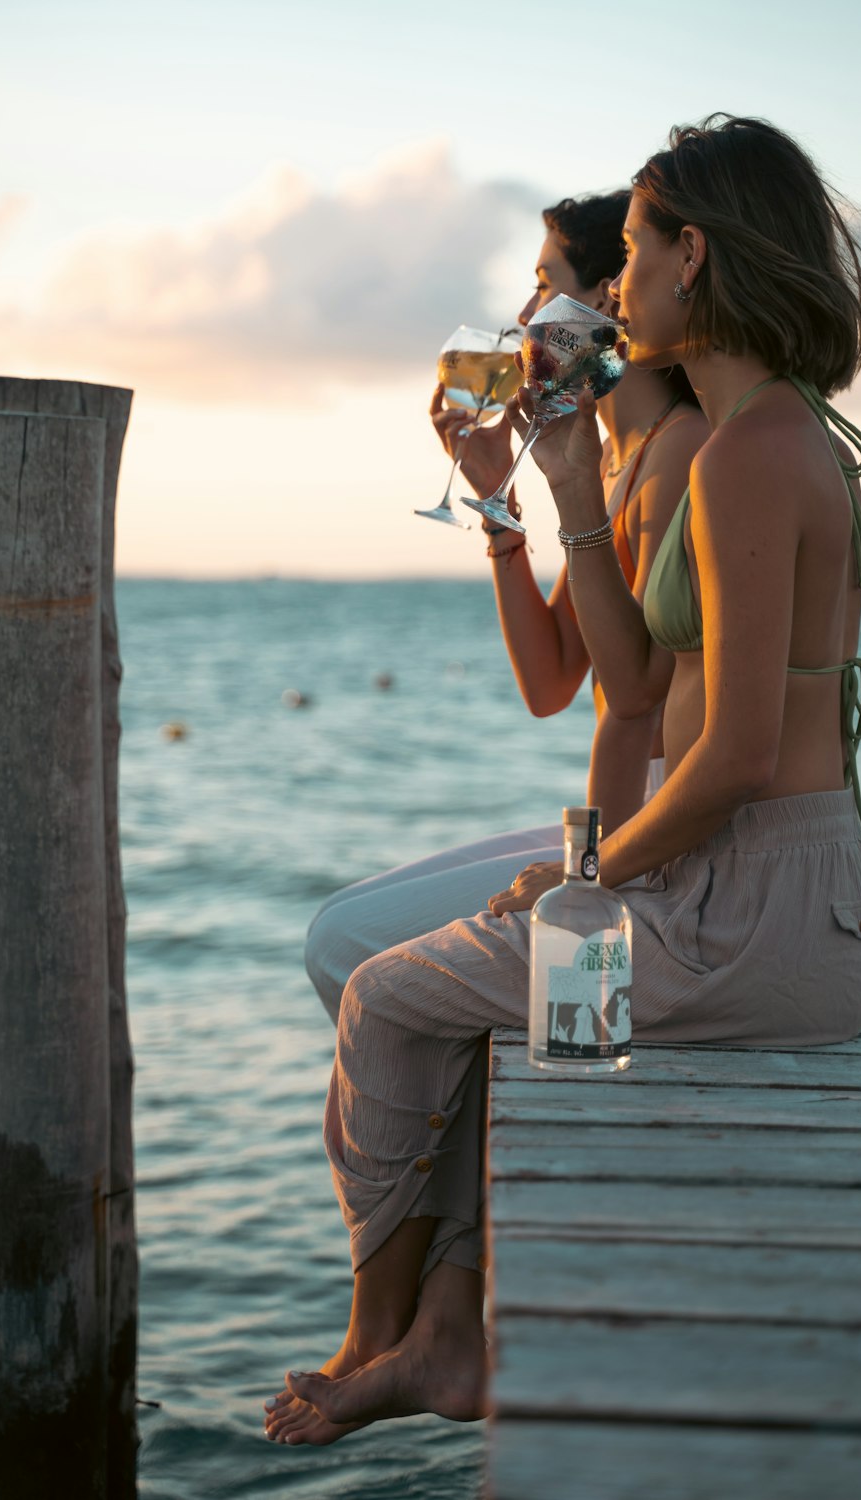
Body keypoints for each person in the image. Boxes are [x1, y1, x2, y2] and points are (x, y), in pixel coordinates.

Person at [265, 116, 861, 1448]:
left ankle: (387, 1344)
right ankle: (438, 1330)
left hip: (743, 920)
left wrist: (592, 873)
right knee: (508, 1001)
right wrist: (539, 486)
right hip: (774, 904)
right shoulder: (777, 440)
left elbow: (712, 755)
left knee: (382, 988)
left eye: (633, 257)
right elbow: (631, 698)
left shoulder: (733, 458)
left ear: (692, 257)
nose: (610, 295)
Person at [304, 192, 707, 1027]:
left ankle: (440, 1152)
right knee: (345, 928)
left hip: (655, 823)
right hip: (616, 812)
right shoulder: (612, 462)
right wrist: (497, 503)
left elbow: (635, 702)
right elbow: (552, 680)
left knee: (347, 946)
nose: (522, 315)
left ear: (602, 300)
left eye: (540, 284)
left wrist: (591, 875)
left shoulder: (680, 458)